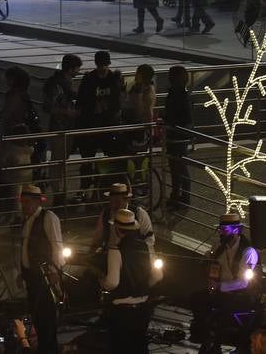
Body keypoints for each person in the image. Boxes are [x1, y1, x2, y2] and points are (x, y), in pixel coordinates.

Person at [190, 212, 260, 349]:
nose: (221, 233)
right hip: (220, 291)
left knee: (224, 306)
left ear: (235, 230)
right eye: (220, 230)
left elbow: (243, 283)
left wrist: (219, 286)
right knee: (196, 298)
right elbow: (212, 269)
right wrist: (207, 263)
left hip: (241, 295)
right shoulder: (219, 247)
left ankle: (216, 343)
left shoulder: (248, 251)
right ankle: (205, 335)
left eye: (224, 230)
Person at [94, 209, 153, 354]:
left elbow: (112, 283)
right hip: (143, 308)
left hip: (121, 312)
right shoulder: (147, 247)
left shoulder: (115, 251)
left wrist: (102, 282)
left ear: (117, 229)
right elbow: (158, 276)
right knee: (139, 347)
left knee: (120, 348)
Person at [18, 185, 63, 354]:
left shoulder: (48, 217)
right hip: (32, 277)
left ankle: (49, 349)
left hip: (44, 277)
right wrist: (22, 272)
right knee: (37, 318)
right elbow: (25, 249)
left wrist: (55, 272)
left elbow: (57, 246)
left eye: (27, 202)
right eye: (22, 202)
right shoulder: (27, 220)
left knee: (47, 319)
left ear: (37, 202)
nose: (23, 206)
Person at [76, 50, 122, 195]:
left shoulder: (113, 78)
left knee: (110, 157)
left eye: (105, 65)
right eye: (101, 65)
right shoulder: (89, 78)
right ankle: (85, 188)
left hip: (107, 124)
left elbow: (118, 101)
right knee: (87, 159)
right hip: (91, 123)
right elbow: (81, 101)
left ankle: (104, 187)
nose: (103, 68)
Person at [42, 54, 81, 204]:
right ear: (71, 68)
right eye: (77, 68)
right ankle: (57, 192)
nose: (78, 71)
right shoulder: (58, 84)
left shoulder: (62, 82)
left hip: (64, 126)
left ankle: (59, 191)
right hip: (60, 126)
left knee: (60, 160)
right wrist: (68, 112)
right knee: (58, 160)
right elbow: (48, 107)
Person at [91, 183, 154, 256]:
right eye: (112, 201)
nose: (114, 205)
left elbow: (149, 239)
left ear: (126, 200)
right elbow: (97, 238)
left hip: (133, 255)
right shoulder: (106, 214)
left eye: (117, 202)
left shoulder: (139, 214)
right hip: (110, 254)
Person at [164, 66, 192, 209]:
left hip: (177, 134)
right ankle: (178, 196)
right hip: (176, 133)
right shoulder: (180, 93)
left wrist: (169, 122)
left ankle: (181, 197)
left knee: (179, 166)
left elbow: (183, 116)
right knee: (177, 167)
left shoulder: (179, 94)